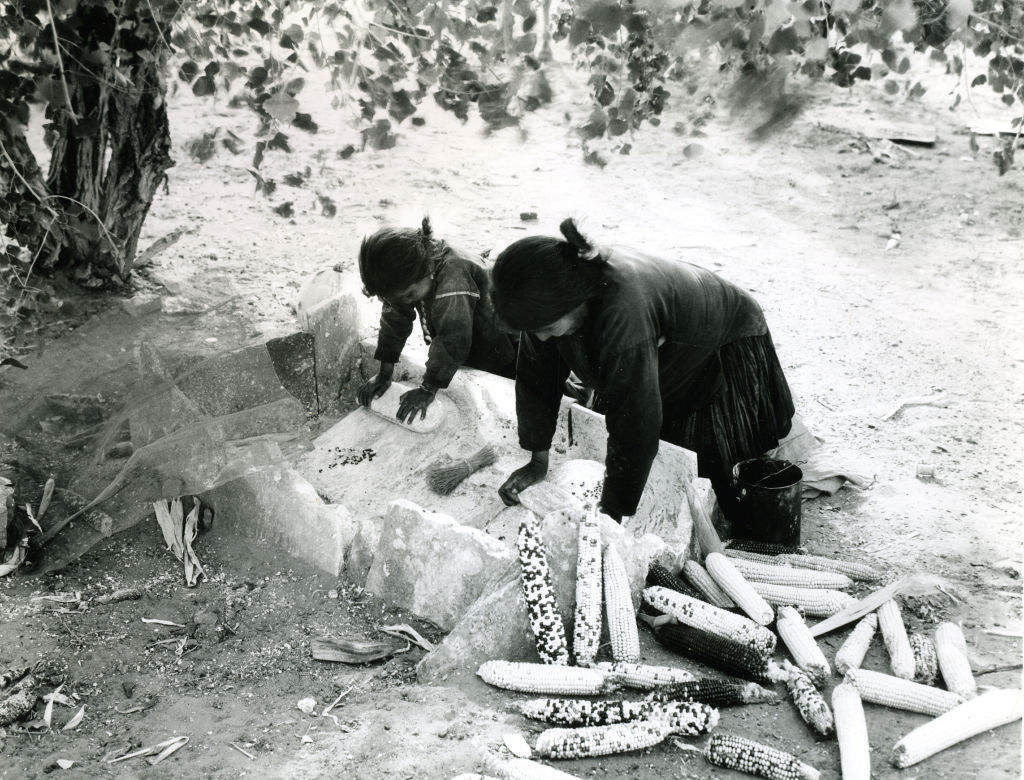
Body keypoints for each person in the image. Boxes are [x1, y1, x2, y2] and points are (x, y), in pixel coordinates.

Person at [490, 218, 795, 522]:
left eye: (545, 328)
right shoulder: (546, 303)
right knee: (629, 434)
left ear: (573, 303)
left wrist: (610, 514)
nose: (541, 337)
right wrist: (537, 459)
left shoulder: (624, 315)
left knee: (712, 481)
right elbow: (535, 379)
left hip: (722, 336)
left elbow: (635, 422)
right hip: (656, 337)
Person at [356, 217, 517, 422]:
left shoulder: (453, 278)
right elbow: (395, 318)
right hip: (469, 335)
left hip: (501, 340)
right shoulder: (413, 272)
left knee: (509, 387)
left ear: (426, 270)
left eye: (408, 296)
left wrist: (427, 389)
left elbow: (453, 338)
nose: (405, 301)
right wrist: (384, 373)